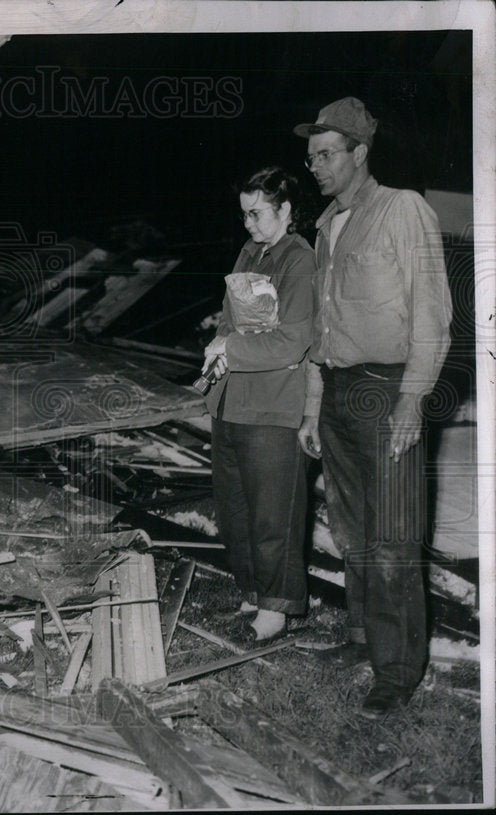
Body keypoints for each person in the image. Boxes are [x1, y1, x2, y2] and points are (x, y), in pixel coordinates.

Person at [293, 97, 452, 718]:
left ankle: (398, 670)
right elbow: (320, 330)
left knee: (391, 539)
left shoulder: (402, 209)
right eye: (310, 158)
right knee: (351, 527)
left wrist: (413, 399)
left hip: (387, 391)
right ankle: (363, 638)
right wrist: (312, 408)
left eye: (327, 154)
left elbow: (432, 312)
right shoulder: (327, 225)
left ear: (361, 153)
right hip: (337, 392)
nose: (316, 166)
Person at [201, 166, 315, 646]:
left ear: (285, 210)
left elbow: (292, 341)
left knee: (274, 514)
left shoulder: (299, 260)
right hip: (232, 403)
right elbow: (232, 320)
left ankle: (277, 606)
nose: (247, 223)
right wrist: (217, 348)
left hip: (273, 406)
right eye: (243, 214)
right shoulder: (250, 252)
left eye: (256, 213)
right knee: (236, 510)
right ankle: (251, 590)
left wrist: (231, 349)